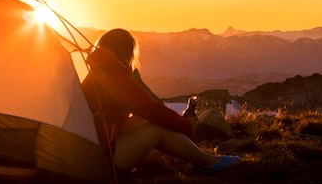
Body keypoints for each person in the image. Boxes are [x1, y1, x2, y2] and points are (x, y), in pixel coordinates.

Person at [81, 28, 241, 175]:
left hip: (86, 152)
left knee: (144, 120)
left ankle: (201, 159)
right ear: (126, 53)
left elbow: (147, 112)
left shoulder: (98, 73)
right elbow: (154, 111)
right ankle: (207, 161)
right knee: (156, 127)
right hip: (95, 165)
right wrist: (187, 125)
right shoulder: (112, 78)